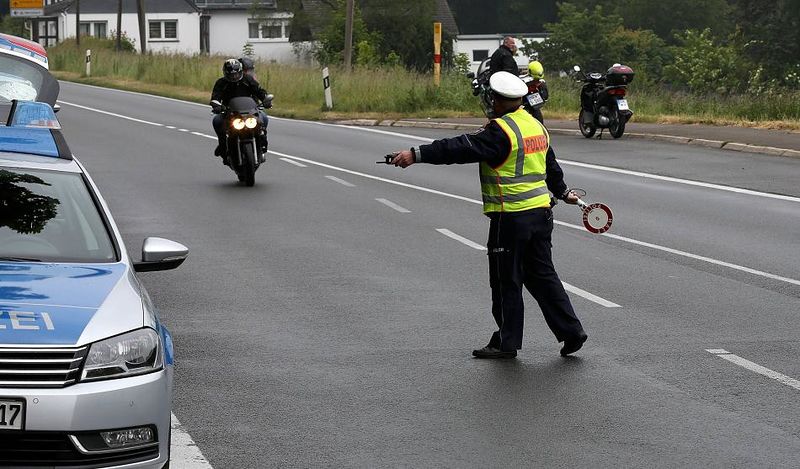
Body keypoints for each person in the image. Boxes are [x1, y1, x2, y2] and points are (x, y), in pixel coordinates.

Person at [388, 71, 588, 359]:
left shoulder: (500, 131)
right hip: (542, 214)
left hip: (510, 218)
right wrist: (563, 192)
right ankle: (571, 332)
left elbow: (458, 148)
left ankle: (506, 342)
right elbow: (550, 165)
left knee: (506, 280)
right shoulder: (535, 126)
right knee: (544, 276)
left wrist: (415, 154)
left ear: (496, 99)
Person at [210, 58, 270, 162]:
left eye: (236, 74)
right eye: (231, 74)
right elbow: (215, 97)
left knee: (264, 118)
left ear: (241, 71)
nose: (234, 76)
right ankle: (222, 145)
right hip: (230, 113)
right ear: (225, 73)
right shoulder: (221, 83)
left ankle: (262, 145)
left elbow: (259, 90)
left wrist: (265, 99)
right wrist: (216, 105)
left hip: (250, 111)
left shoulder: (248, 79)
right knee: (217, 121)